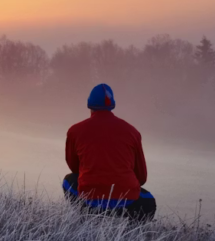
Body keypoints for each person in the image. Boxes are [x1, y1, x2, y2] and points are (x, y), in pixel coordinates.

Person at [62, 83, 156, 222]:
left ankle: (87, 219)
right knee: (148, 200)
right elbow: (141, 177)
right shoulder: (132, 132)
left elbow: (75, 168)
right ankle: (130, 232)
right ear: (112, 105)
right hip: (127, 205)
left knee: (68, 181)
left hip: (90, 201)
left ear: (90, 105)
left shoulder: (75, 131)